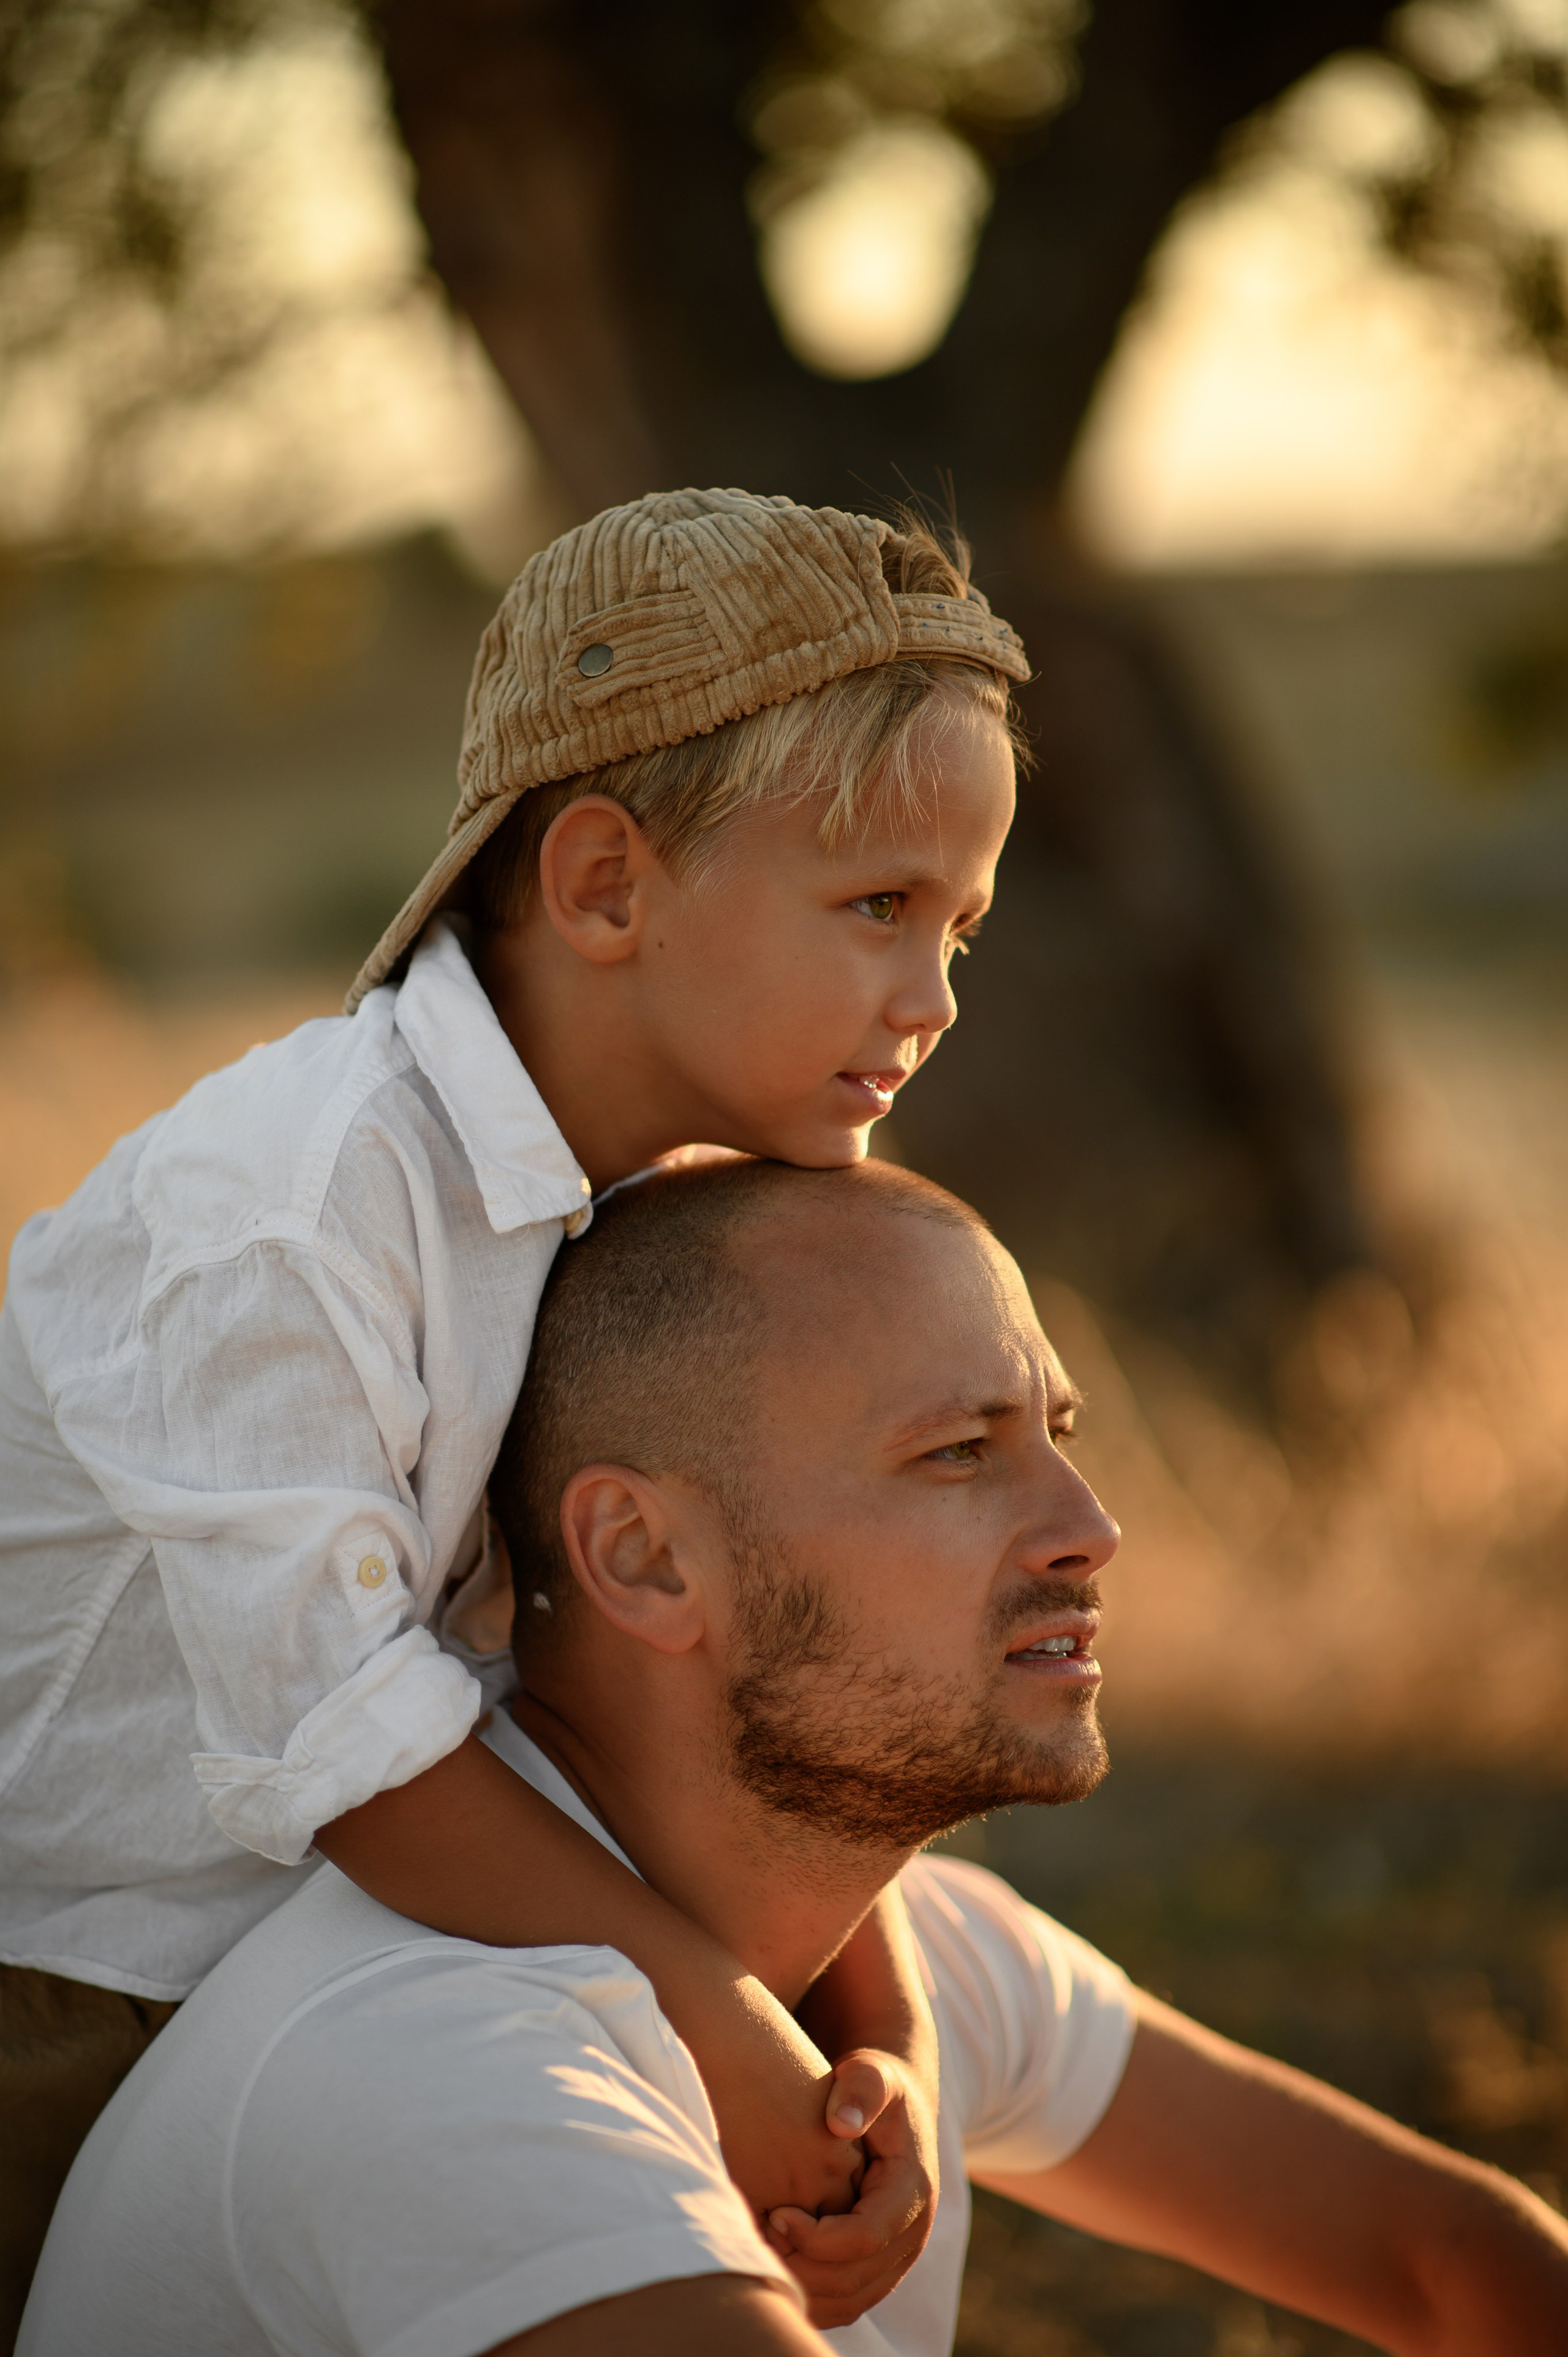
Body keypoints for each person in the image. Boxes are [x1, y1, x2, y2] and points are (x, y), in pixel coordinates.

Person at [0, 489, 1032, 2333]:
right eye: (880, 905)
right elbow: (357, 1750)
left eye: (958, 924)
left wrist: (866, 2036)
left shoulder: (654, 1210)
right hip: (67, 1968)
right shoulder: (297, 1206)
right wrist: (724, 2038)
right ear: (606, 885)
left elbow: (713, 1691)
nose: (935, 995)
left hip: (399, 1940)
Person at [24, 1156, 1568, 2357]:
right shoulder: (449, 2056)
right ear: (641, 1557)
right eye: (957, 1454)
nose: (1091, 1533)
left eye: (1060, 1432)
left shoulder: (871, 1959)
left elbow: (1451, 2267)